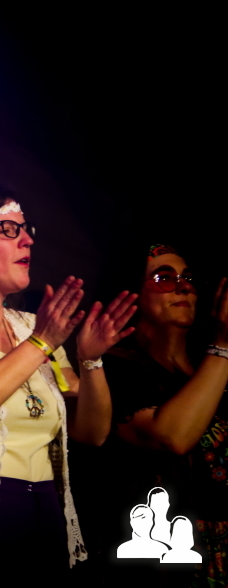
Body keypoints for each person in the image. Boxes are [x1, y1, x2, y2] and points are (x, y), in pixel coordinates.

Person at [0, 185, 136, 584]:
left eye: (27, 230)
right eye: (7, 230)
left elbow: (92, 433)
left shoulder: (31, 327)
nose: (27, 240)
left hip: (48, 507)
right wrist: (41, 344)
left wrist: (90, 359)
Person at [100, 244, 228, 586]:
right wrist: (223, 345)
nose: (183, 287)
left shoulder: (210, 367)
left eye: (189, 279)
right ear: (132, 294)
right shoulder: (115, 367)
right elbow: (172, 437)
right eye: (164, 278)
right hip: (167, 558)